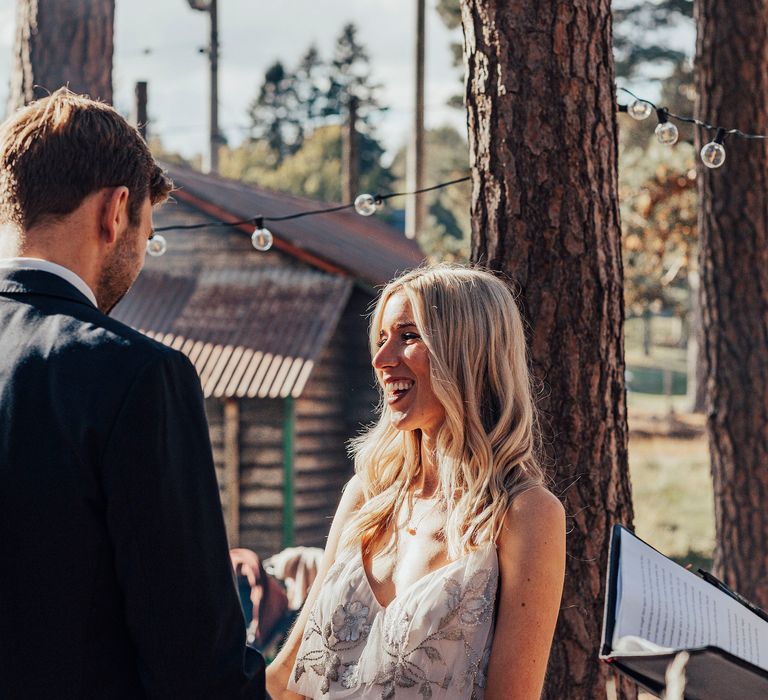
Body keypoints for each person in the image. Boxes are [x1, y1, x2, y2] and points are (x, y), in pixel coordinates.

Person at [0, 89, 266, 699]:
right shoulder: (136, 375)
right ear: (116, 211)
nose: (141, 252)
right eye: (147, 230)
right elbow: (196, 659)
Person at [266, 264, 566, 699]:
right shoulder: (366, 498)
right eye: (383, 338)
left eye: (408, 336)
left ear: (468, 350)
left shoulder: (524, 514)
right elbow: (288, 676)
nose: (382, 359)